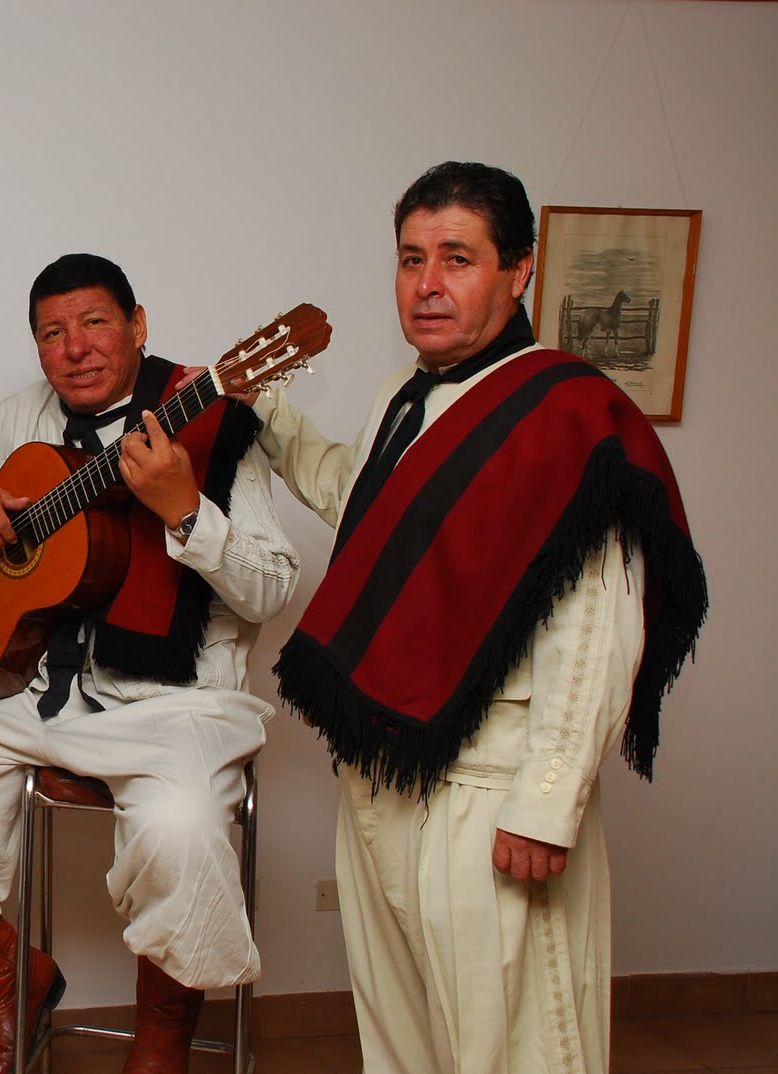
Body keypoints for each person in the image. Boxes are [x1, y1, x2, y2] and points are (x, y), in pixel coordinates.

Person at [250, 162, 708, 1074]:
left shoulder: (567, 414)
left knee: (518, 1047)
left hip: (490, 782)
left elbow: (593, 629)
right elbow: (366, 508)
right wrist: (264, 406)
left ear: (520, 271)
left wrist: (547, 805)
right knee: (403, 1042)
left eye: (458, 258)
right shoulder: (400, 397)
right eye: (412, 258)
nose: (427, 284)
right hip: (384, 767)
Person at [0, 253, 299, 1074]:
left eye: (95, 323)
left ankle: (160, 1045)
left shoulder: (213, 419)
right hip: (40, 695)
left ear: (138, 325)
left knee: (181, 830)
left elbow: (271, 588)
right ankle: (15, 982)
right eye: (52, 332)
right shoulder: (27, 415)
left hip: (172, 704)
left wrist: (187, 510)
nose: (74, 347)